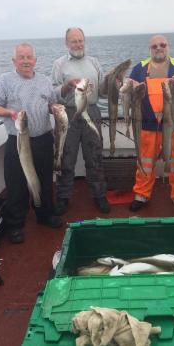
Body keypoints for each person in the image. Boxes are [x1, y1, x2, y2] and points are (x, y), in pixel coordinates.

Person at [0, 43, 63, 244]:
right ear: (14, 61)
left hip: (43, 139)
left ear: (35, 60)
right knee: (16, 184)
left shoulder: (45, 81)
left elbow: (49, 104)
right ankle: (16, 224)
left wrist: (54, 108)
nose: (26, 61)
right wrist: (9, 113)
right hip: (18, 140)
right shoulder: (4, 80)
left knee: (45, 180)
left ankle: (44, 215)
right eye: (21, 57)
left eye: (29, 57)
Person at [129, 34, 174, 211]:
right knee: (145, 163)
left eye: (162, 45)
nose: (159, 48)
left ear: (168, 47)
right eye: (154, 46)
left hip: (173, 126)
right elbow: (131, 95)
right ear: (150, 49)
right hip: (147, 125)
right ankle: (141, 195)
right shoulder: (139, 68)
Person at [51, 27, 110, 214]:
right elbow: (54, 94)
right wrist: (68, 85)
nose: (78, 44)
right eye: (73, 41)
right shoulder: (59, 64)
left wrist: (112, 83)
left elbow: (102, 91)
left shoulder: (94, 62)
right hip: (68, 114)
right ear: (66, 43)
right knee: (66, 158)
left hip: (91, 111)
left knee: (95, 156)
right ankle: (63, 196)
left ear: (85, 41)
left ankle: (99, 195)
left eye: (80, 40)